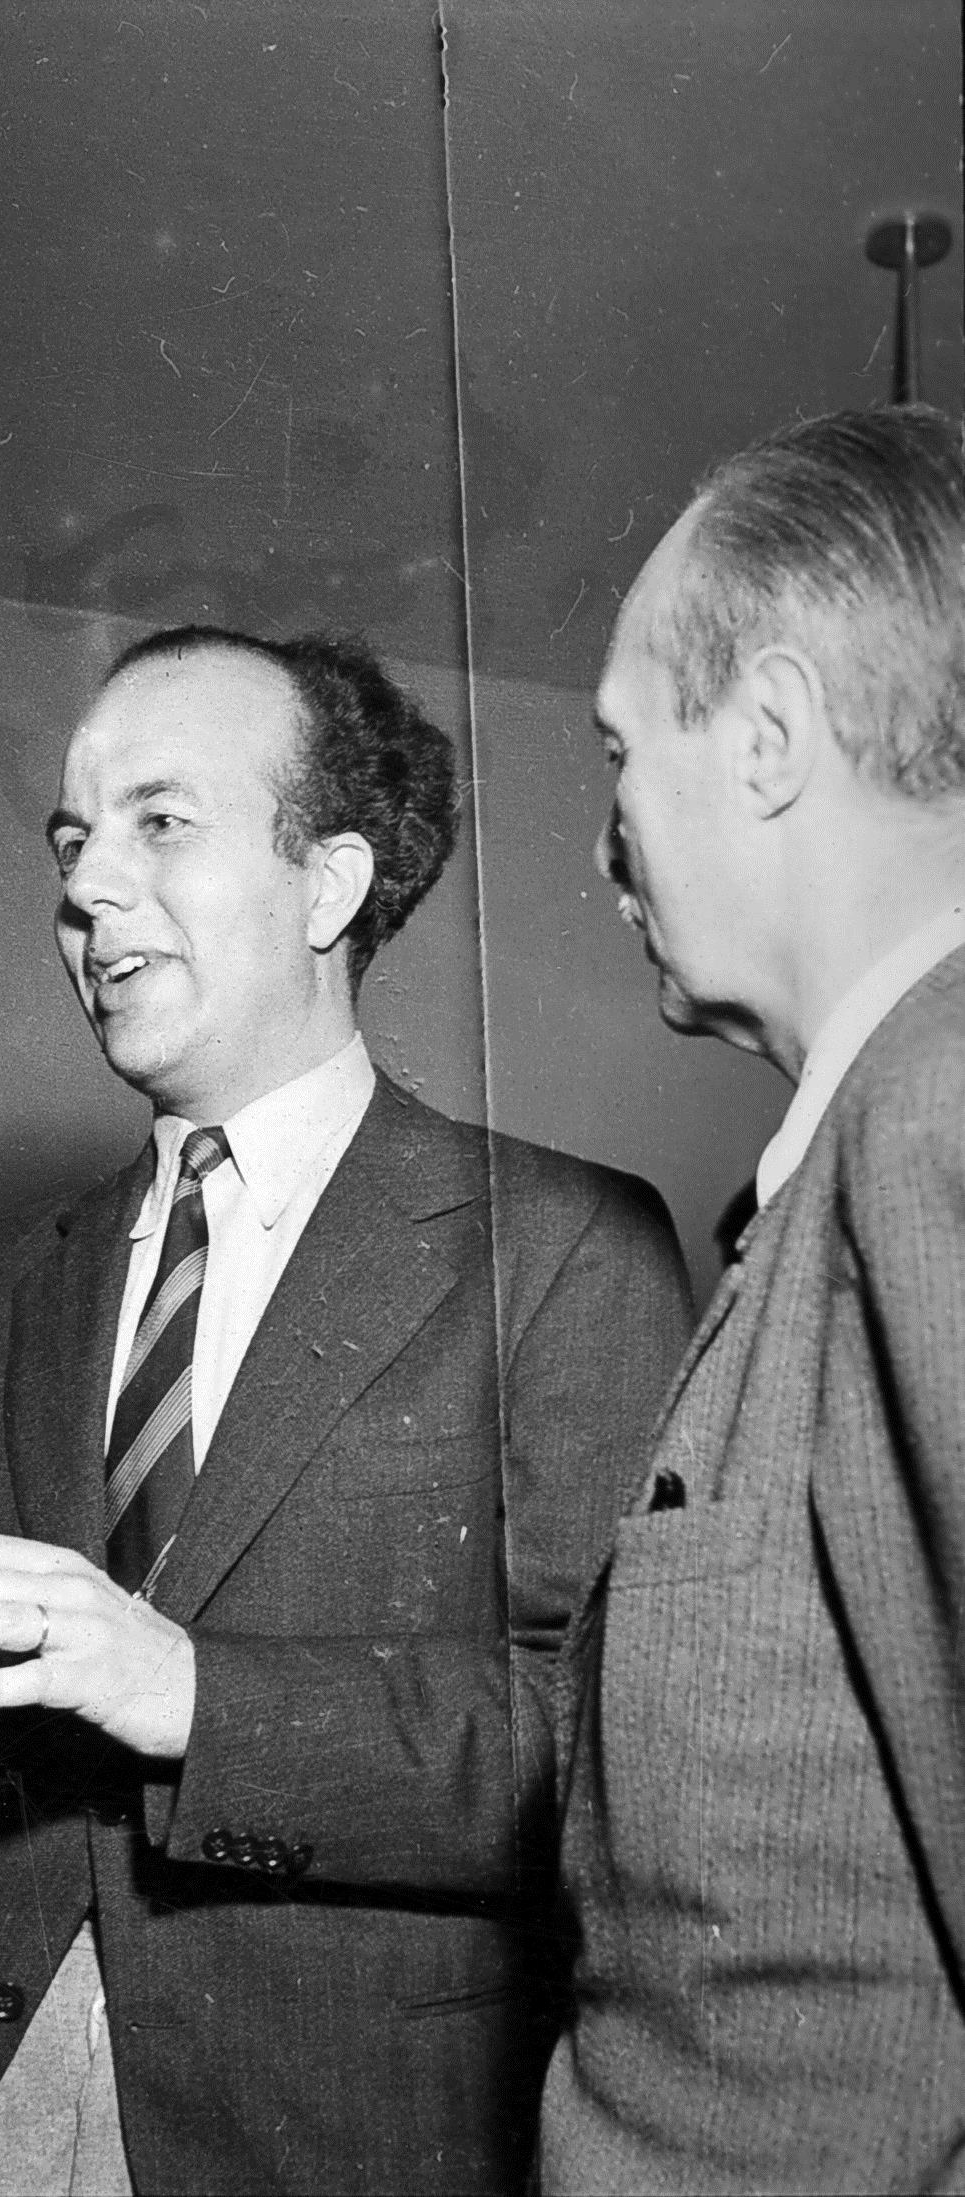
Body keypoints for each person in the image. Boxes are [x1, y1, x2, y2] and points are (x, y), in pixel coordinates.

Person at [0, 627, 692, 2195]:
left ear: (329, 886)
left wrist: (193, 1697)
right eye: (72, 841)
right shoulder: (0, 1281)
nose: (89, 887)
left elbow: (607, 1745)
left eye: (160, 823)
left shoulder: (568, 1249)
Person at [540, 405, 965, 2192]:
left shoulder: (935, 1112)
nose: (603, 843)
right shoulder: (825, 1166)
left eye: (621, 753)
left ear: (770, 737)